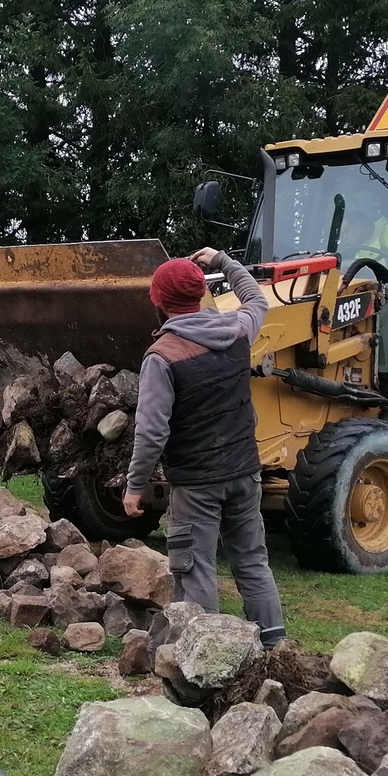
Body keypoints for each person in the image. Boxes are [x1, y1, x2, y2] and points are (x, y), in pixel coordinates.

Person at [121, 247, 286, 647]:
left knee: (196, 569)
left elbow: (152, 431)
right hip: (246, 473)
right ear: (203, 295)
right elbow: (256, 297)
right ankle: (273, 646)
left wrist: (135, 485)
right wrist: (224, 261)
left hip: (197, 484)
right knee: (252, 562)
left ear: (158, 301)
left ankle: (206, 658)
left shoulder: (162, 356)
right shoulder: (237, 330)